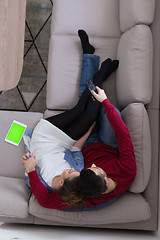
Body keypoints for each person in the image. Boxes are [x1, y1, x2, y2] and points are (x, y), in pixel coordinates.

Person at [22, 30, 136, 211]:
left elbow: (45, 200)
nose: (91, 164)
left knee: (86, 105)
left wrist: (31, 170)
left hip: (79, 144)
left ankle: (90, 56)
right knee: (106, 110)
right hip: (108, 144)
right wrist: (105, 103)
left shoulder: (79, 191)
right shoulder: (127, 172)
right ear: (105, 179)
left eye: (87, 170)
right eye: (95, 169)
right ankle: (100, 81)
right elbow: (123, 134)